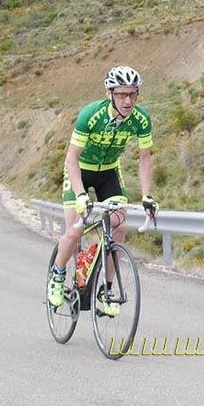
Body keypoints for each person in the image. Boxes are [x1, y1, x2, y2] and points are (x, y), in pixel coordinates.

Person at [47, 65, 158, 315]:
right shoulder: (91, 115)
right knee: (75, 230)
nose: (128, 100)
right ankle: (58, 274)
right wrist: (80, 195)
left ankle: (105, 291)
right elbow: (71, 158)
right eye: (121, 94)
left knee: (118, 228)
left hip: (108, 171)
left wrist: (147, 195)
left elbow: (145, 158)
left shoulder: (141, 119)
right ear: (110, 94)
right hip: (80, 170)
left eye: (132, 94)